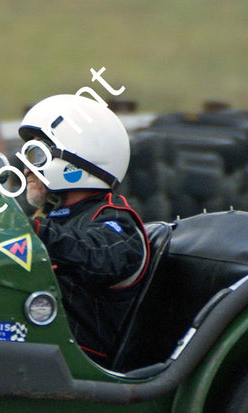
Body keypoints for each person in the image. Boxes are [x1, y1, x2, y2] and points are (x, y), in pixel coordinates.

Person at [17, 94, 150, 368]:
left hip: (80, 362)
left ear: (76, 159)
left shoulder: (116, 221)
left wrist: (33, 231)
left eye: (37, 155)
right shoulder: (55, 216)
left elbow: (98, 255)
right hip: (34, 344)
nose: (27, 168)